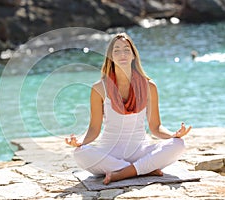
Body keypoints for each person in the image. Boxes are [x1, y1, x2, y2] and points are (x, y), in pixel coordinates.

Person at [65, 32, 192, 185]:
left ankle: (123, 173)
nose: (122, 54)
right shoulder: (99, 88)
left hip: (140, 151)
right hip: (109, 154)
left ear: (133, 55)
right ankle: (143, 170)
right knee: (80, 153)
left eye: (126, 49)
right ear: (110, 57)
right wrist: (80, 142)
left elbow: (155, 127)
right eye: (116, 50)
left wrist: (174, 135)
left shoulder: (149, 86)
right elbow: (94, 128)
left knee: (179, 144)